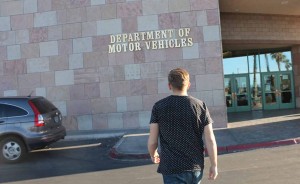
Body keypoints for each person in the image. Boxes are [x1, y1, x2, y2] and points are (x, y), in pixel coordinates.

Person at [148, 68, 218, 184]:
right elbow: (210, 139)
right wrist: (214, 165)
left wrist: (153, 153)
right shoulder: (200, 106)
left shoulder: (159, 107)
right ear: (188, 85)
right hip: (194, 167)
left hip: (171, 168)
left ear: (169, 85)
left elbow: (152, 141)